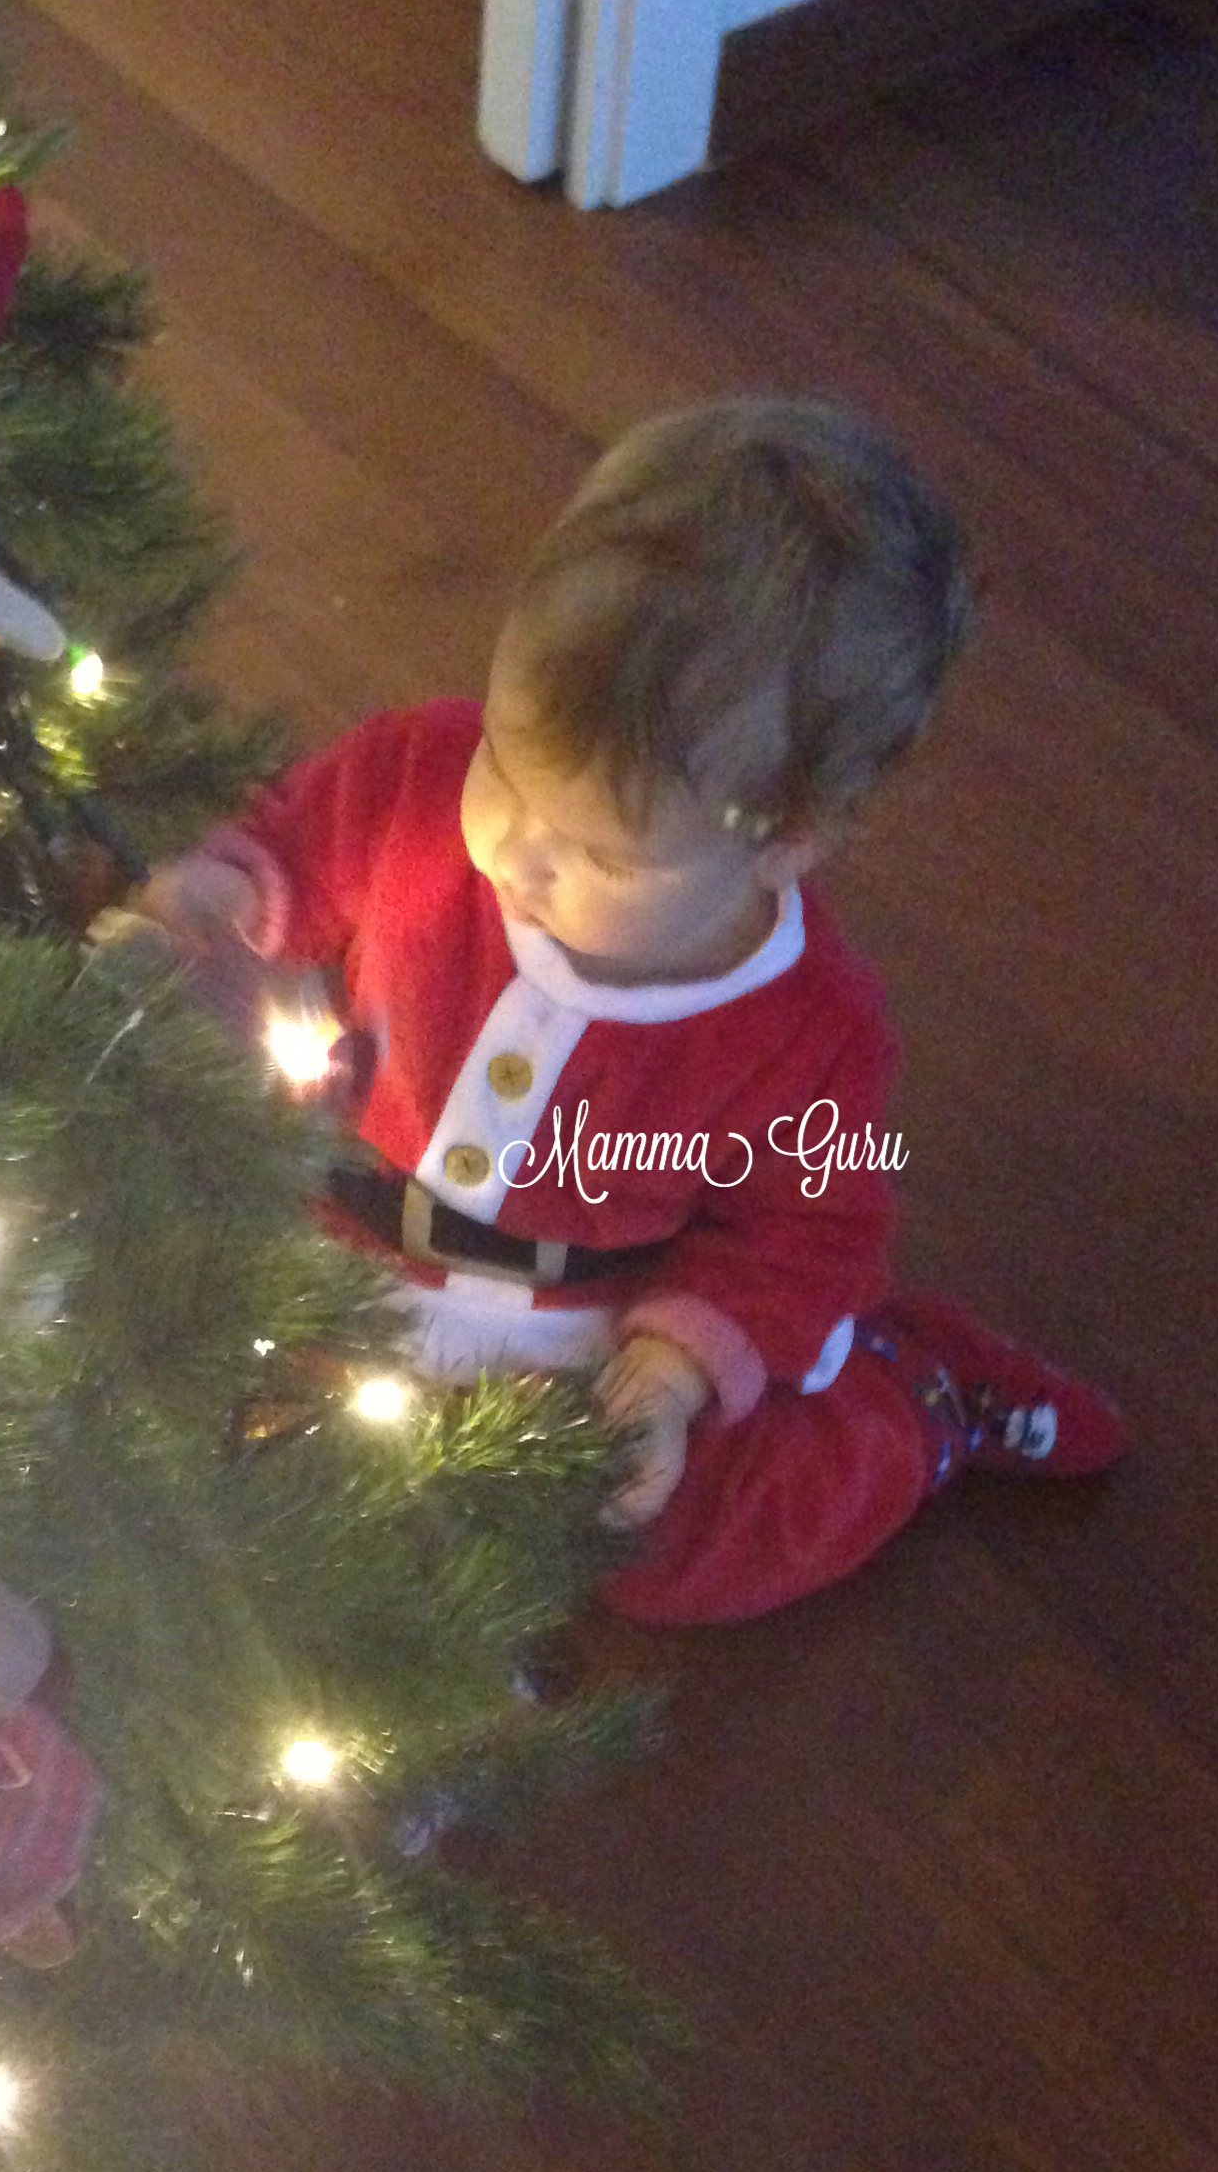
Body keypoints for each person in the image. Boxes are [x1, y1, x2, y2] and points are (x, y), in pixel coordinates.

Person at [124, 394, 1124, 1626]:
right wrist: (221, 887)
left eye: (602, 855)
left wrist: (669, 1372)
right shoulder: (420, 776)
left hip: (580, 1350)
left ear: (789, 844)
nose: (516, 853)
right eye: (506, 767)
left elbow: (806, 1236)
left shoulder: (812, 1036)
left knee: (686, 1554)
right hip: (333, 1251)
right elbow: (292, 843)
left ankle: (913, 1407)